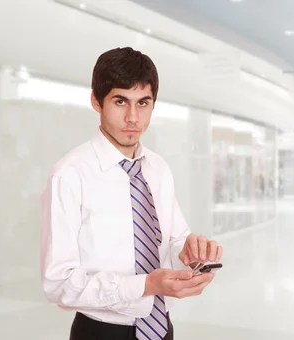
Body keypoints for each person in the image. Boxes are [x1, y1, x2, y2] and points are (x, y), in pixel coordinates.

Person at [39, 47, 223, 340]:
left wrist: (189, 252)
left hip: (161, 327)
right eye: (121, 101)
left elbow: (175, 238)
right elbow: (58, 283)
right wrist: (145, 286)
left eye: (143, 102)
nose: (133, 117)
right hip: (101, 332)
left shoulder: (157, 168)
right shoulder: (70, 175)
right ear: (96, 102)